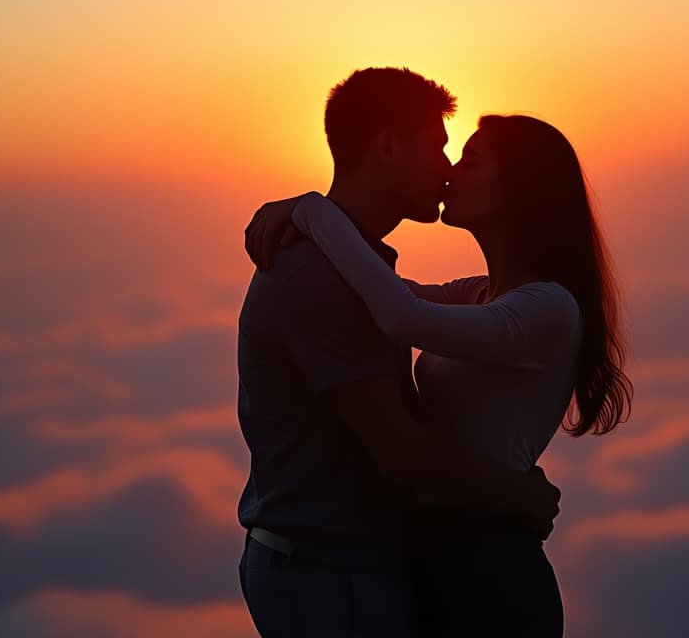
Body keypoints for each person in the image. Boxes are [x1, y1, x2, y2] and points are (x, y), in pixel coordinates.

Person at [247, 113, 633, 637]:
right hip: (439, 561)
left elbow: (400, 314)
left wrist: (314, 210)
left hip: (491, 574)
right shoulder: (480, 295)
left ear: (517, 189)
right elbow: (376, 288)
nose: (450, 171)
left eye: (469, 161)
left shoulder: (548, 309)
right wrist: (303, 215)